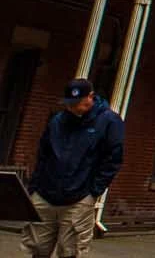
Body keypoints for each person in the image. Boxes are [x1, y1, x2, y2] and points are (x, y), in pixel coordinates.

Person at [22, 78, 124, 258]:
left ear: (91, 97)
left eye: (79, 103)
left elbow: (113, 159)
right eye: (70, 103)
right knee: (35, 247)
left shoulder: (109, 121)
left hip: (79, 198)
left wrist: (94, 191)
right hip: (45, 194)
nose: (74, 107)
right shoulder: (57, 120)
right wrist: (34, 187)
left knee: (70, 251)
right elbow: (43, 154)